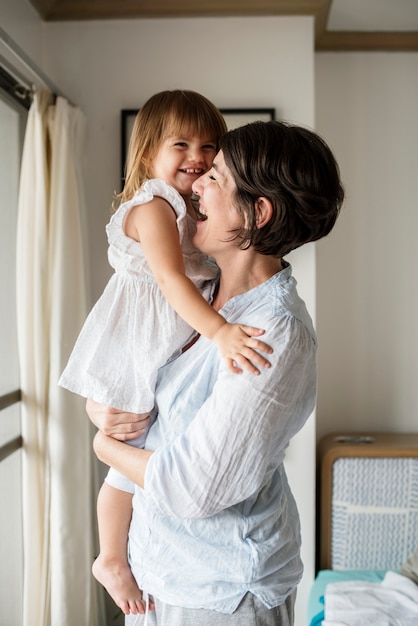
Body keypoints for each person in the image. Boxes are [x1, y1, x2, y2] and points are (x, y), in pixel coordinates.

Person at [87, 119, 344, 626]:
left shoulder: (274, 334)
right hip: (160, 571)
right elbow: (138, 388)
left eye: (217, 176)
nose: (197, 180)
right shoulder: (203, 296)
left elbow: (192, 488)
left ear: (257, 213)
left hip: (222, 591)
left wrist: (103, 446)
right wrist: (105, 410)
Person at [59, 91, 273, 616]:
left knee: (138, 454)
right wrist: (220, 332)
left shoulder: (194, 212)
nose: (196, 155)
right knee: (123, 461)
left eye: (208, 145)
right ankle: (110, 556)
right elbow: (171, 279)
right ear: (148, 152)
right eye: (181, 144)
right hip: (139, 348)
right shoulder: (153, 207)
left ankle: (114, 553)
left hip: (165, 351)